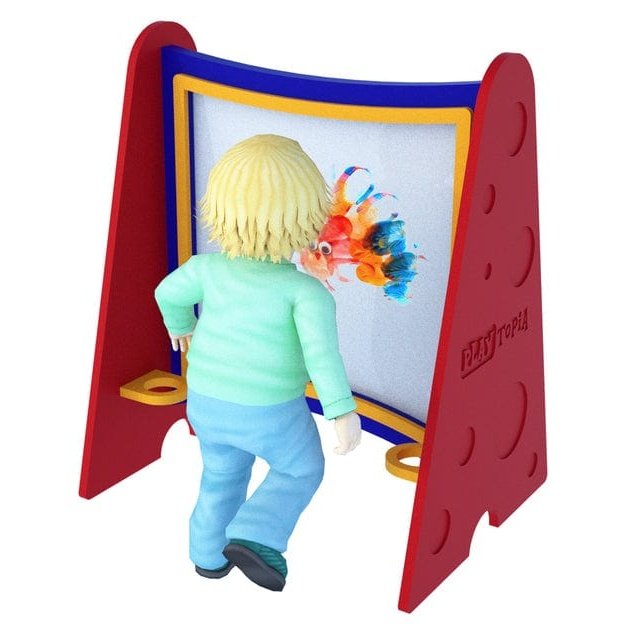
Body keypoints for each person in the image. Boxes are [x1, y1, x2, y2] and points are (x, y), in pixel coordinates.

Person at [155, 134, 361, 592]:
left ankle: (208, 556)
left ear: (221, 208)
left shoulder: (205, 269)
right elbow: (322, 357)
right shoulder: (305, 292)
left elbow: (167, 292)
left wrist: (181, 325)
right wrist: (341, 411)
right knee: (300, 469)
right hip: (270, 411)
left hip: (206, 404)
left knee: (221, 474)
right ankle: (256, 534)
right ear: (307, 215)